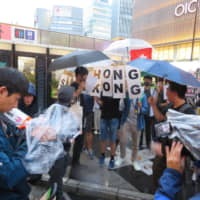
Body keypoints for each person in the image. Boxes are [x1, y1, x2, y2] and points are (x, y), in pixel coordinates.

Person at [149, 81, 195, 192]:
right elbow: (161, 119)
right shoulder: (170, 106)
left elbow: (189, 145)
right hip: (162, 158)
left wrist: (163, 150)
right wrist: (153, 105)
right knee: (159, 186)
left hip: (175, 163)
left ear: (174, 93)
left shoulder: (188, 112)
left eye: (168, 89)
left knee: (171, 190)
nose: (166, 92)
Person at [0, 67, 30, 200]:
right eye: (16, 99)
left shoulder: (4, 115)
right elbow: (7, 175)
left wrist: (30, 131)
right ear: (2, 91)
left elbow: (11, 145)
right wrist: (32, 141)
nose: (16, 106)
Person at [116, 92, 148, 170]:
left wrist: (140, 107)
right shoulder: (126, 94)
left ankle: (134, 160)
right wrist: (122, 99)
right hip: (126, 121)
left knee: (135, 143)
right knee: (123, 140)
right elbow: (121, 108)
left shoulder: (143, 96)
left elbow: (146, 110)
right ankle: (122, 156)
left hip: (137, 123)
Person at [70, 66, 88, 166]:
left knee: (80, 139)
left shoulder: (81, 85)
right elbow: (72, 99)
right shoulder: (73, 85)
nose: (86, 78)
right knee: (74, 138)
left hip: (81, 117)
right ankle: (72, 160)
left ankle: (75, 160)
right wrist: (80, 88)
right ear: (79, 76)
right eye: (85, 76)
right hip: (74, 118)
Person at [97, 96, 120, 169]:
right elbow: (101, 103)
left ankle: (112, 158)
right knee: (103, 138)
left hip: (114, 117)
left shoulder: (118, 88)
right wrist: (98, 102)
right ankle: (102, 155)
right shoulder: (104, 89)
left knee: (112, 140)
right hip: (104, 116)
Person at [82, 93, 94, 159]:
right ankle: (83, 146)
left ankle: (89, 148)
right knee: (82, 130)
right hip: (81, 110)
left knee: (88, 131)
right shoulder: (80, 86)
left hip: (89, 111)